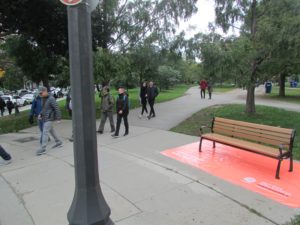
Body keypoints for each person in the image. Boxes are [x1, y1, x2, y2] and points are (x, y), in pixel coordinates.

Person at [36, 87, 63, 156]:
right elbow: (44, 108)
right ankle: (58, 142)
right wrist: (40, 114)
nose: (40, 95)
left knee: (45, 131)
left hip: (50, 118)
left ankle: (43, 148)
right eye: (39, 94)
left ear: (45, 91)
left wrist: (58, 118)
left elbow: (56, 108)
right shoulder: (43, 99)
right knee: (51, 131)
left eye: (41, 93)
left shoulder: (51, 98)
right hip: (45, 117)